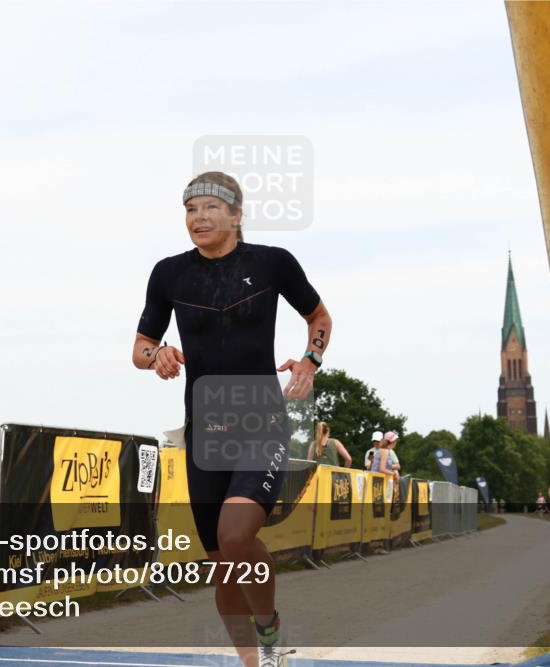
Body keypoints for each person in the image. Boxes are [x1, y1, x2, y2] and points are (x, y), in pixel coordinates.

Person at [132, 171, 331, 667]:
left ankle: (270, 630)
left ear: (237, 215)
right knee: (223, 564)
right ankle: (253, 662)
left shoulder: (272, 263)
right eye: (190, 209)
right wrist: (157, 354)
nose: (198, 218)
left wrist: (310, 360)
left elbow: (319, 318)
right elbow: (139, 348)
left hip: (261, 422)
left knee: (236, 535)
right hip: (205, 431)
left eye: (210, 208)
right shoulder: (168, 273)